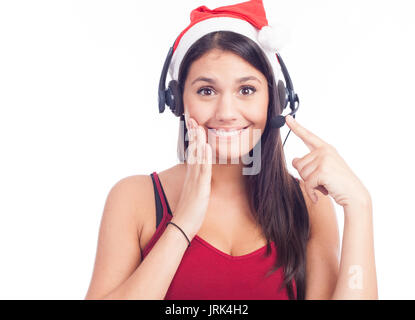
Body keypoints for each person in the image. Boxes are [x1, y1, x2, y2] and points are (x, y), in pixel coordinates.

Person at [85, 0, 377, 300]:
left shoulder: (308, 204)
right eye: (206, 91)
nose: (226, 112)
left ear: (273, 99)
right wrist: (183, 221)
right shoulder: (135, 198)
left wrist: (359, 207)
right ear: (176, 100)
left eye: (246, 90)